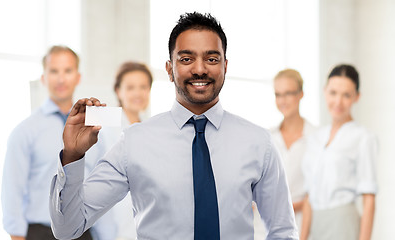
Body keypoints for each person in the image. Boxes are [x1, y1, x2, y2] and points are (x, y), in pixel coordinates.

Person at [49, 12, 298, 240]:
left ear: (225, 66)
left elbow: (283, 231)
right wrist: (73, 155)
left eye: (211, 58)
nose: (199, 69)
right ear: (169, 69)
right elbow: (67, 228)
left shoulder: (258, 143)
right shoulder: (135, 142)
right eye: (187, 58)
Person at [1, 45, 117, 240]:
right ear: (44, 78)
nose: (61, 79)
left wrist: (107, 235)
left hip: (84, 232)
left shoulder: (94, 132)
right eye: (54, 71)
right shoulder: (25, 131)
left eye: (68, 71)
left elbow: (99, 186)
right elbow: (12, 192)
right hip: (39, 233)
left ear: (78, 77)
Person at [300, 64, 378, 240]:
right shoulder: (315, 138)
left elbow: (369, 199)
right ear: (325, 91)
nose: (338, 102)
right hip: (316, 224)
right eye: (333, 93)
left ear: (357, 97)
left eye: (346, 95)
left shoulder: (363, 137)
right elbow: (309, 195)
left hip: (344, 225)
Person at [253, 69, 316, 239]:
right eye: (278, 94)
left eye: (288, 93)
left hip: (303, 225)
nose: (283, 100)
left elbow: (318, 190)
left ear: (301, 94)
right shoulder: (266, 138)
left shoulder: (316, 138)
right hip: (263, 227)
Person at [110, 62, 153, 240]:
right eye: (130, 87)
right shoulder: (106, 123)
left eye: (143, 87)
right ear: (118, 91)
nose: (138, 93)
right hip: (112, 227)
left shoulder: (151, 129)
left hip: (144, 225)